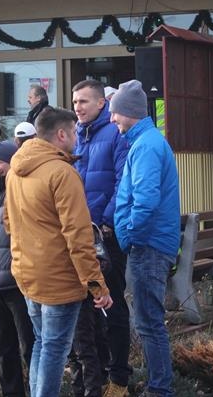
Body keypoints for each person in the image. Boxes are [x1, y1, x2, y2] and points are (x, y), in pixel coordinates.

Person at [5, 107, 113, 397]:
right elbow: (79, 238)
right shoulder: (62, 173)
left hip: (27, 274)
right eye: (74, 132)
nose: (77, 138)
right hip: (58, 280)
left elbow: (9, 223)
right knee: (54, 349)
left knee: (42, 343)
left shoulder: (15, 169)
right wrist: (97, 287)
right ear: (62, 134)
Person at [109, 80, 180, 397]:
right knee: (149, 322)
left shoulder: (146, 146)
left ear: (129, 112)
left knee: (149, 323)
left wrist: (128, 236)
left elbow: (146, 201)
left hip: (147, 246)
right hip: (149, 243)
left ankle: (159, 389)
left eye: (115, 113)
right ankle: (157, 385)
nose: (112, 119)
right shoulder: (146, 141)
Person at [71, 79, 131, 397]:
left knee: (112, 305)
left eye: (83, 101)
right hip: (79, 238)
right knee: (88, 312)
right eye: (74, 102)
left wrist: (105, 221)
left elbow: (123, 182)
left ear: (100, 103)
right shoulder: (75, 135)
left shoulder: (115, 133)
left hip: (105, 235)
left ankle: (119, 377)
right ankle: (95, 375)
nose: (78, 107)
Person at [0, 140, 34, 397]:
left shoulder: (21, 188)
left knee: (29, 344)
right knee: (4, 347)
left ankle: (38, 390)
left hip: (18, 281)